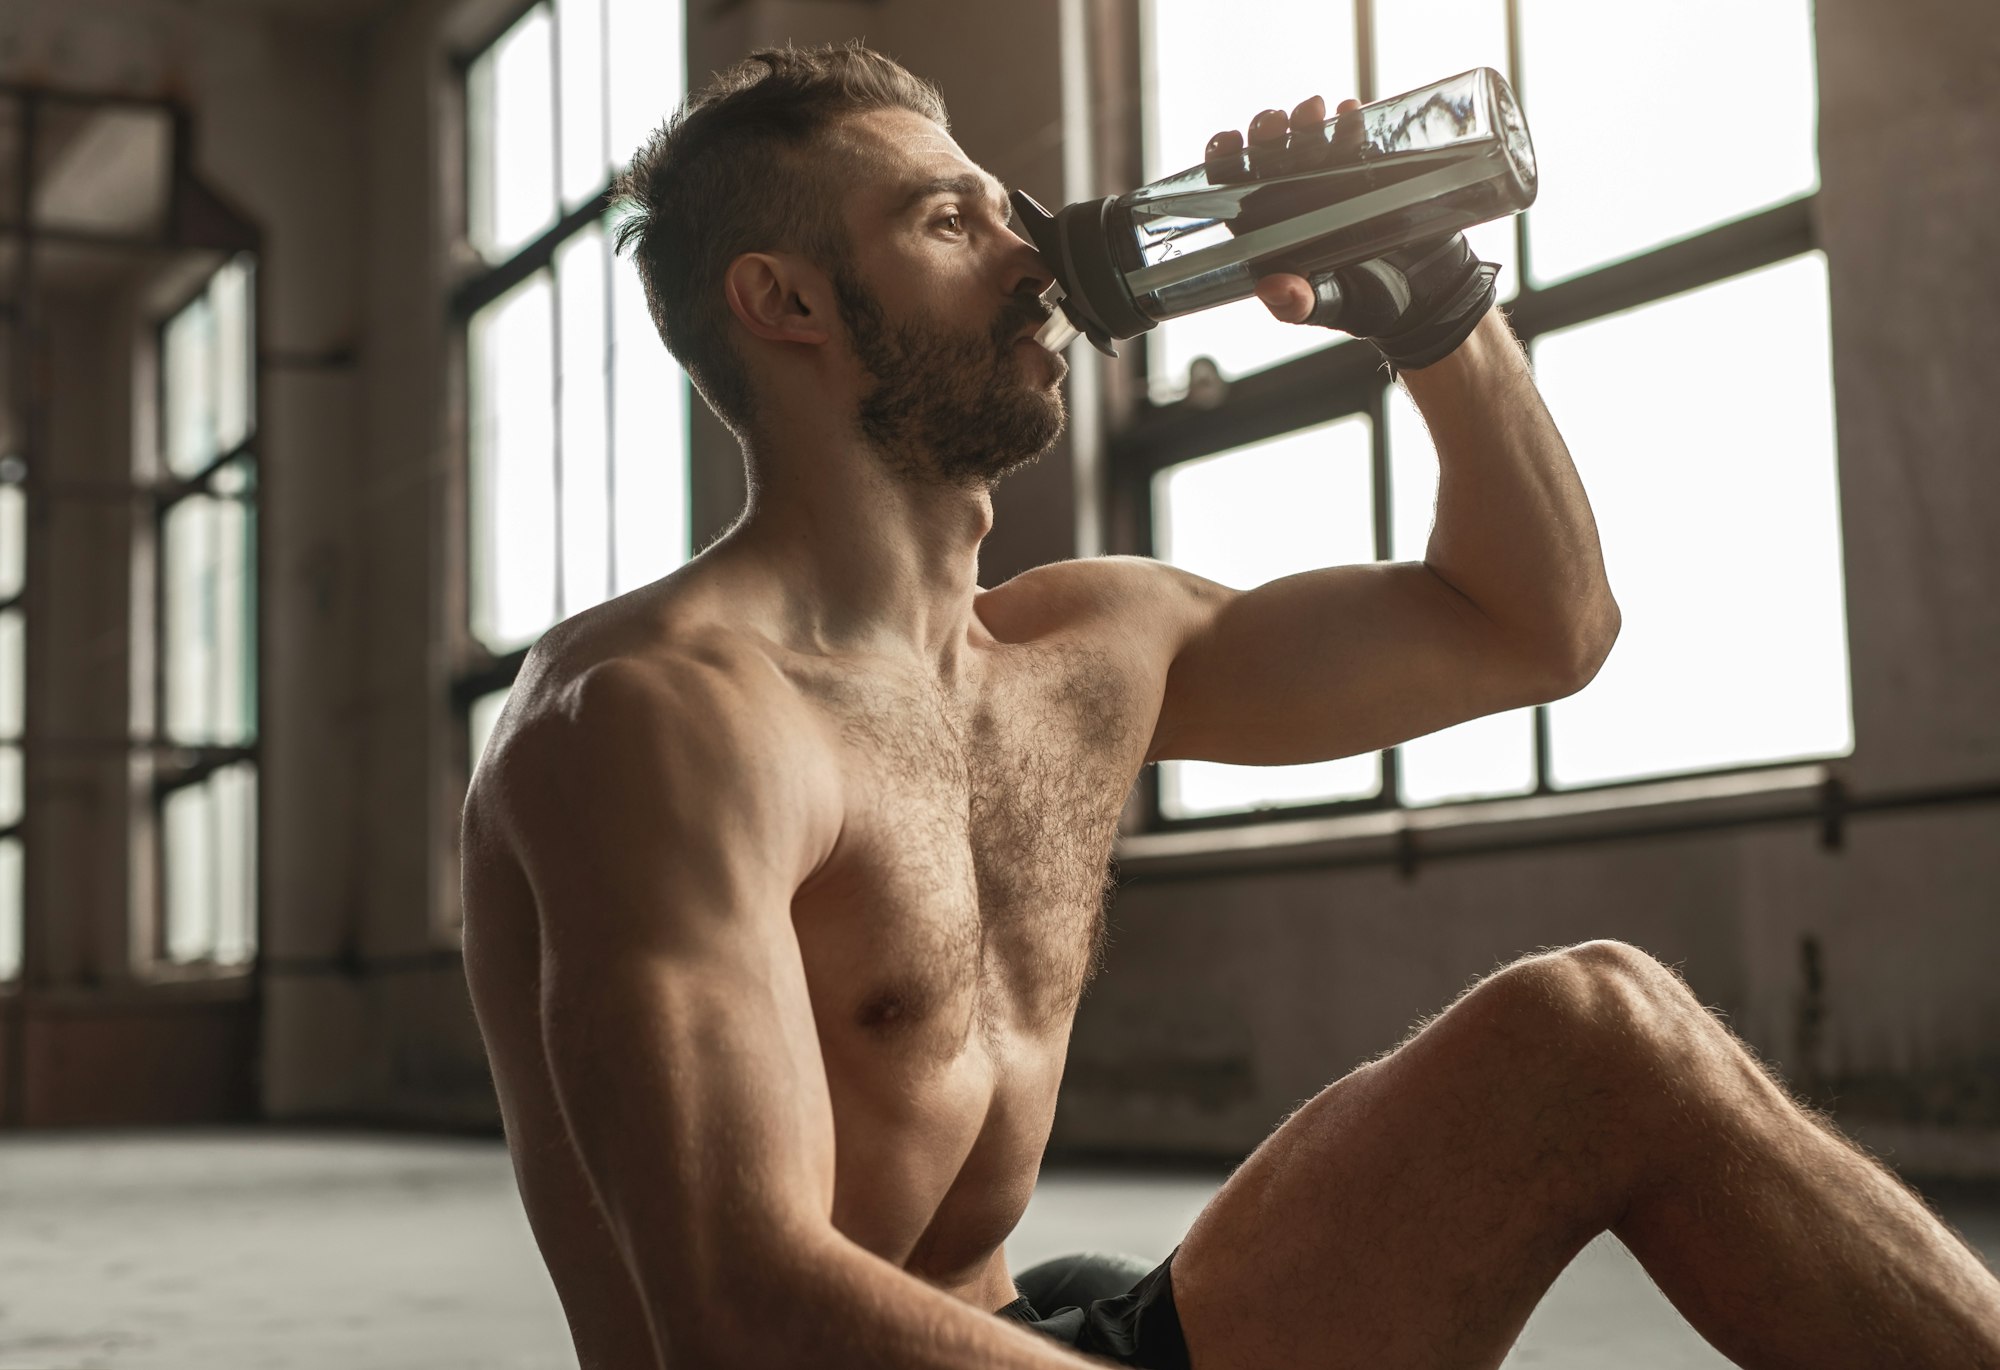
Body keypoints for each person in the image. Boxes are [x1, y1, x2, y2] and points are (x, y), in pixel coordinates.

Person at [457, 40, 2000, 1370]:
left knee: (1597, 1024)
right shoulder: (653, 720)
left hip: (1044, 1331)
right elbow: (733, 1313)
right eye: (947, 219)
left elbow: (1542, 627)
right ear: (783, 299)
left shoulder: (1084, 646)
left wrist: (1434, 313)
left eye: (1008, 205)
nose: (1028, 254)